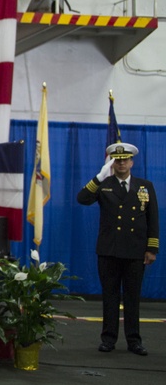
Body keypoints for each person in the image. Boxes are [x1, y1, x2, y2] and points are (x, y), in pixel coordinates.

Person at [77, 142, 159, 356]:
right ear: (112, 163)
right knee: (110, 296)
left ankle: (134, 341)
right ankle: (108, 339)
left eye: (125, 160)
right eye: (117, 160)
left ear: (131, 162)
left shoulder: (145, 186)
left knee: (133, 297)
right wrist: (98, 177)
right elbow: (82, 199)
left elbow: (153, 219)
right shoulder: (104, 185)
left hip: (135, 251)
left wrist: (152, 248)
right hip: (109, 250)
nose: (122, 163)